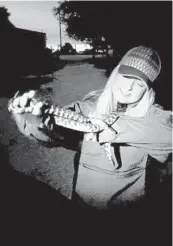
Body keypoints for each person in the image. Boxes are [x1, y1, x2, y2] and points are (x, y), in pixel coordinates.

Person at [10, 46, 172, 210]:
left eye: (139, 84)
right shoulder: (89, 108)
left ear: (148, 90)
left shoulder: (154, 117)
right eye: (125, 76)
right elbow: (58, 134)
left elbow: (166, 135)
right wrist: (35, 121)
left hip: (126, 217)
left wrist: (111, 126)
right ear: (116, 73)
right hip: (81, 207)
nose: (129, 87)